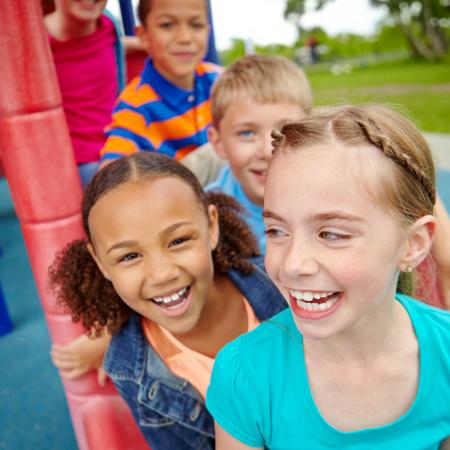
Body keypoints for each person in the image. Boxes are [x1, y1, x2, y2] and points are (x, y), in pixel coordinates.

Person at [206, 105, 450, 449]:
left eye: (331, 234)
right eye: (276, 230)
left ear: (413, 243)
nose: (293, 264)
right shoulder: (245, 374)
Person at [48, 152, 286, 449]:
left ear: (211, 227)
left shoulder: (284, 285)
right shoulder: (133, 372)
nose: (161, 273)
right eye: (130, 256)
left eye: (178, 241)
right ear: (101, 264)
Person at [206, 54, 313, 252]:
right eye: (247, 133)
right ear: (219, 142)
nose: (267, 150)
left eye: (285, 130)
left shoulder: (330, 195)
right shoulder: (207, 216)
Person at [99, 0, 222, 166]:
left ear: (208, 31)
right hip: (180, 187)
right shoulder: (135, 106)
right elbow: (110, 172)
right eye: (167, 25)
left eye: (196, 25)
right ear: (143, 36)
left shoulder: (220, 81)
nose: (184, 38)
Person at [44, 0, 130, 186]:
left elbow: (114, 54)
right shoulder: (38, 41)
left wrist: (146, 44)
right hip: (78, 161)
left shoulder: (108, 25)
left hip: (120, 142)